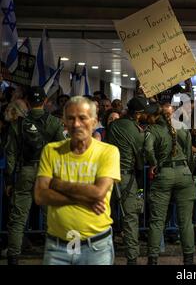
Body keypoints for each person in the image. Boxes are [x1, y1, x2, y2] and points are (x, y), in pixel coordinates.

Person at [34, 96, 121, 265]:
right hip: (57, 246)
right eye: (71, 118)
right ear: (64, 122)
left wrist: (57, 184)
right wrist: (83, 198)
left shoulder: (108, 152)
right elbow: (40, 196)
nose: (76, 124)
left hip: (96, 247)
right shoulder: (51, 151)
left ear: (94, 122)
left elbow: (98, 193)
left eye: (82, 118)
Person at [5, 87, 65, 265]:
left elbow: (11, 153)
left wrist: (9, 179)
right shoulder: (54, 122)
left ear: (27, 102)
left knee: (18, 217)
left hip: (26, 171)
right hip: (47, 174)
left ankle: (13, 257)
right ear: (45, 101)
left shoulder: (18, 123)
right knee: (50, 216)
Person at [145, 100, 196, 265]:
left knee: (157, 220)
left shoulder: (153, 129)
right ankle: (189, 259)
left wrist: (153, 163)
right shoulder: (181, 127)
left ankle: (153, 259)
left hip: (164, 173)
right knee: (186, 221)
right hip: (184, 172)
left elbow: (147, 148)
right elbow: (189, 152)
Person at [106, 97, 149, 265]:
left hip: (108, 176)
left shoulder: (114, 125)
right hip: (128, 178)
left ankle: (103, 253)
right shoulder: (138, 131)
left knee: (104, 216)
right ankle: (132, 258)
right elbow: (140, 159)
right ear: (138, 114)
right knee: (131, 218)